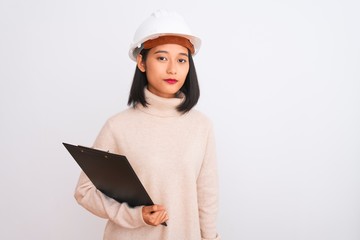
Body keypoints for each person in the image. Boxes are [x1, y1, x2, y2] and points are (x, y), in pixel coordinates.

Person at [74, 9, 221, 240]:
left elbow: (207, 196)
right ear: (142, 62)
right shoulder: (118, 126)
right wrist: (136, 215)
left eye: (181, 60)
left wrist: (210, 237)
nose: (173, 69)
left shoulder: (201, 126)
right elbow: (84, 192)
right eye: (162, 57)